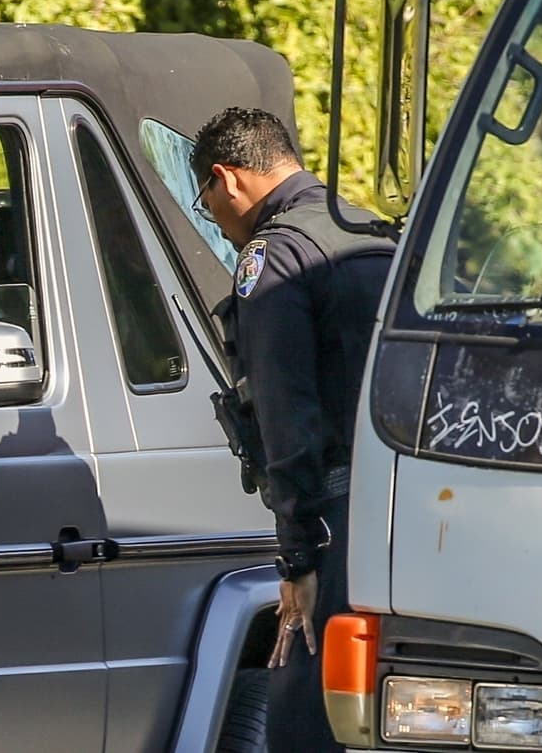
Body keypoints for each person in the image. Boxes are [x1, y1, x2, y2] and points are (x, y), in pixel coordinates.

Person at [189, 107, 395, 751]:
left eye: (206, 203)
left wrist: (299, 557)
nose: (216, 222)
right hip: (407, 507)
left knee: (307, 709)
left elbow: (286, 415)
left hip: (336, 519)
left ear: (227, 179)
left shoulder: (273, 257)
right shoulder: (374, 232)